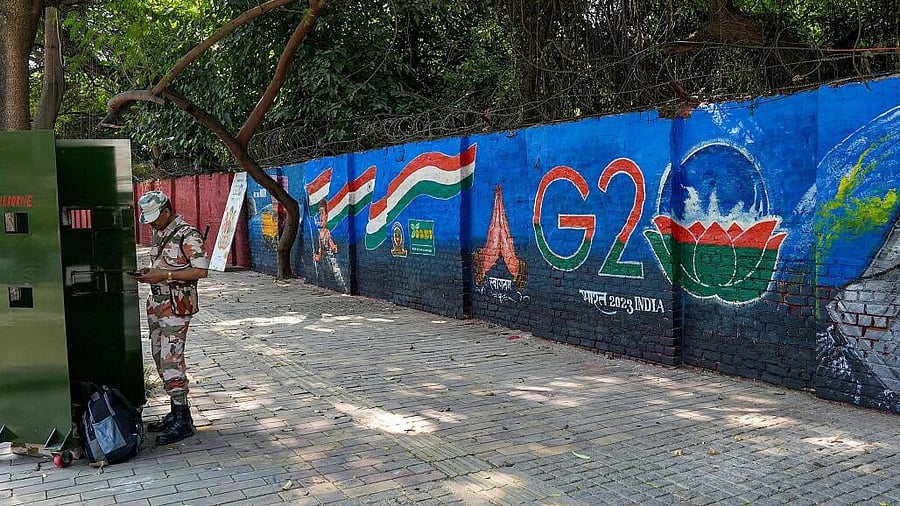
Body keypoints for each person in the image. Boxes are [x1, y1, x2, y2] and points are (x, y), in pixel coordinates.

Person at [133, 190, 209, 445]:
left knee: (171, 359)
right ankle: (176, 410)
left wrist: (163, 277)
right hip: (156, 303)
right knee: (159, 357)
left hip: (176, 306)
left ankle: (183, 420)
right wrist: (150, 272)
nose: (152, 222)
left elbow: (201, 270)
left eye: (155, 217)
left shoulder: (188, 234)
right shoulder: (160, 232)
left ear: (167, 210)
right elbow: (166, 265)